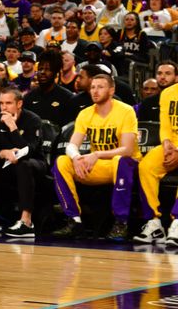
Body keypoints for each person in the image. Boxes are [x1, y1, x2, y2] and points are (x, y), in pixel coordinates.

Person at [51, 75, 140, 241]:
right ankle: (74, 220)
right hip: (98, 166)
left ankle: (121, 223)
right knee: (62, 162)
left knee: (120, 161)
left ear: (111, 90)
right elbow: (71, 145)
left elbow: (127, 150)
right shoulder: (85, 113)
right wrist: (77, 158)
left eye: (100, 87)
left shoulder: (126, 111)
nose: (95, 91)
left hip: (124, 166)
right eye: (92, 87)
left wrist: (97, 154)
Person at [0, 87, 47, 238]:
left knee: (23, 164)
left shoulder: (33, 120)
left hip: (33, 163)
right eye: (1, 103)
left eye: (8, 103)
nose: (4, 107)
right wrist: (4, 153)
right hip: (7, 163)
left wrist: (13, 127)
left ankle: (26, 222)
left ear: (19, 103)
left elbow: (30, 150)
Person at [135, 69, 178, 246]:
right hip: (170, 145)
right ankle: (154, 222)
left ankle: (177, 222)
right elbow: (165, 123)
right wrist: (167, 142)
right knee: (146, 167)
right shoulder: (167, 93)